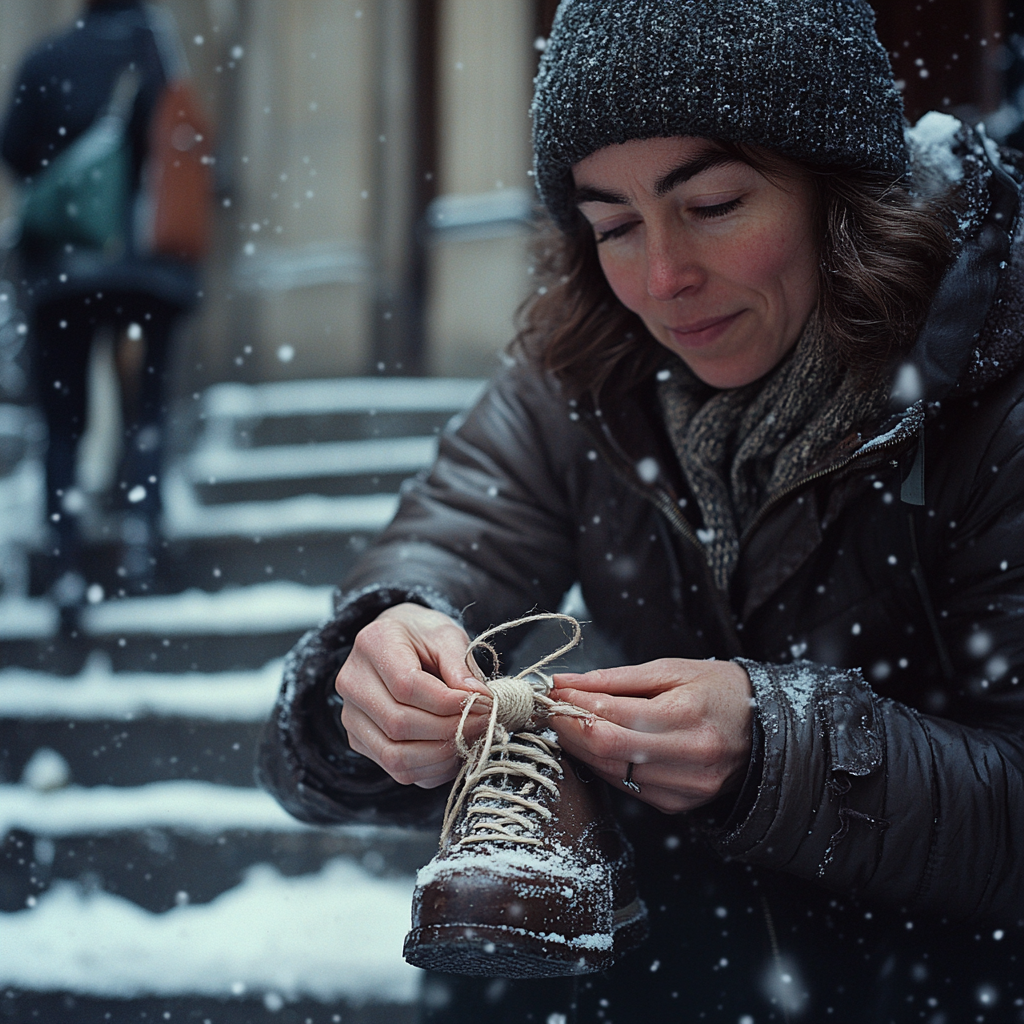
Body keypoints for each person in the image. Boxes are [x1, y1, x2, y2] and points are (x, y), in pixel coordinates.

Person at [259, 1, 1024, 1020]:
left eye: (709, 204)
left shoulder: (993, 384)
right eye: (613, 224)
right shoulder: (573, 379)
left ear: (839, 192)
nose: (662, 279)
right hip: (677, 959)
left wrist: (777, 746)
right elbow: (419, 585)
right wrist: (373, 668)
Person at [0, 0, 202, 616]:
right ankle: (143, 531)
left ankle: (64, 555)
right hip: (145, 268)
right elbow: (180, 145)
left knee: (63, 418)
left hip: (66, 268)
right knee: (146, 403)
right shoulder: (157, 53)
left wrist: (68, 183)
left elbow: (12, 146)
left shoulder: (49, 56)